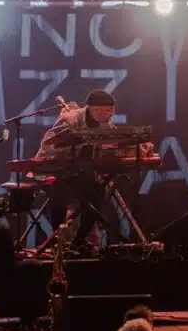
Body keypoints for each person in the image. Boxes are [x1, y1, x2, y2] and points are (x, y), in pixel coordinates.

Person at [36, 89, 152, 249]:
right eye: (109, 110)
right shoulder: (69, 120)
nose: (112, 114)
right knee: (60, 194)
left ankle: (79, 242)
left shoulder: (105, 124)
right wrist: (82, 149)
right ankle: (58, 243)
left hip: (79, 173)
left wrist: (138, 147)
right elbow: (48, 146)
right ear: (95, 109)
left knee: (97, 192)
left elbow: (114, 145)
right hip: (55, 170)